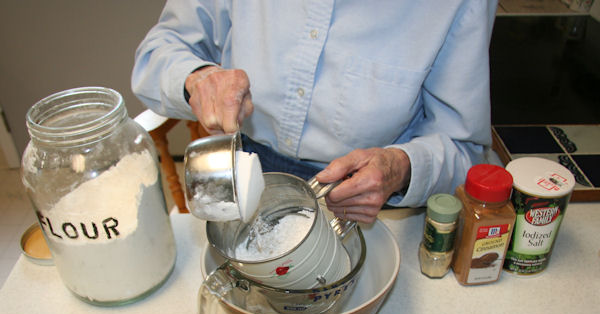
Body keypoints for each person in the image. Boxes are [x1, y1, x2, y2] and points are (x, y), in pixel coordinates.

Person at [132, 0, 499, 223]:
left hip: (370, 201)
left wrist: (400, 167)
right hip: (245, 168)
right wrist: (197, 78)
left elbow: (465, 151)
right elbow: (159, 51)